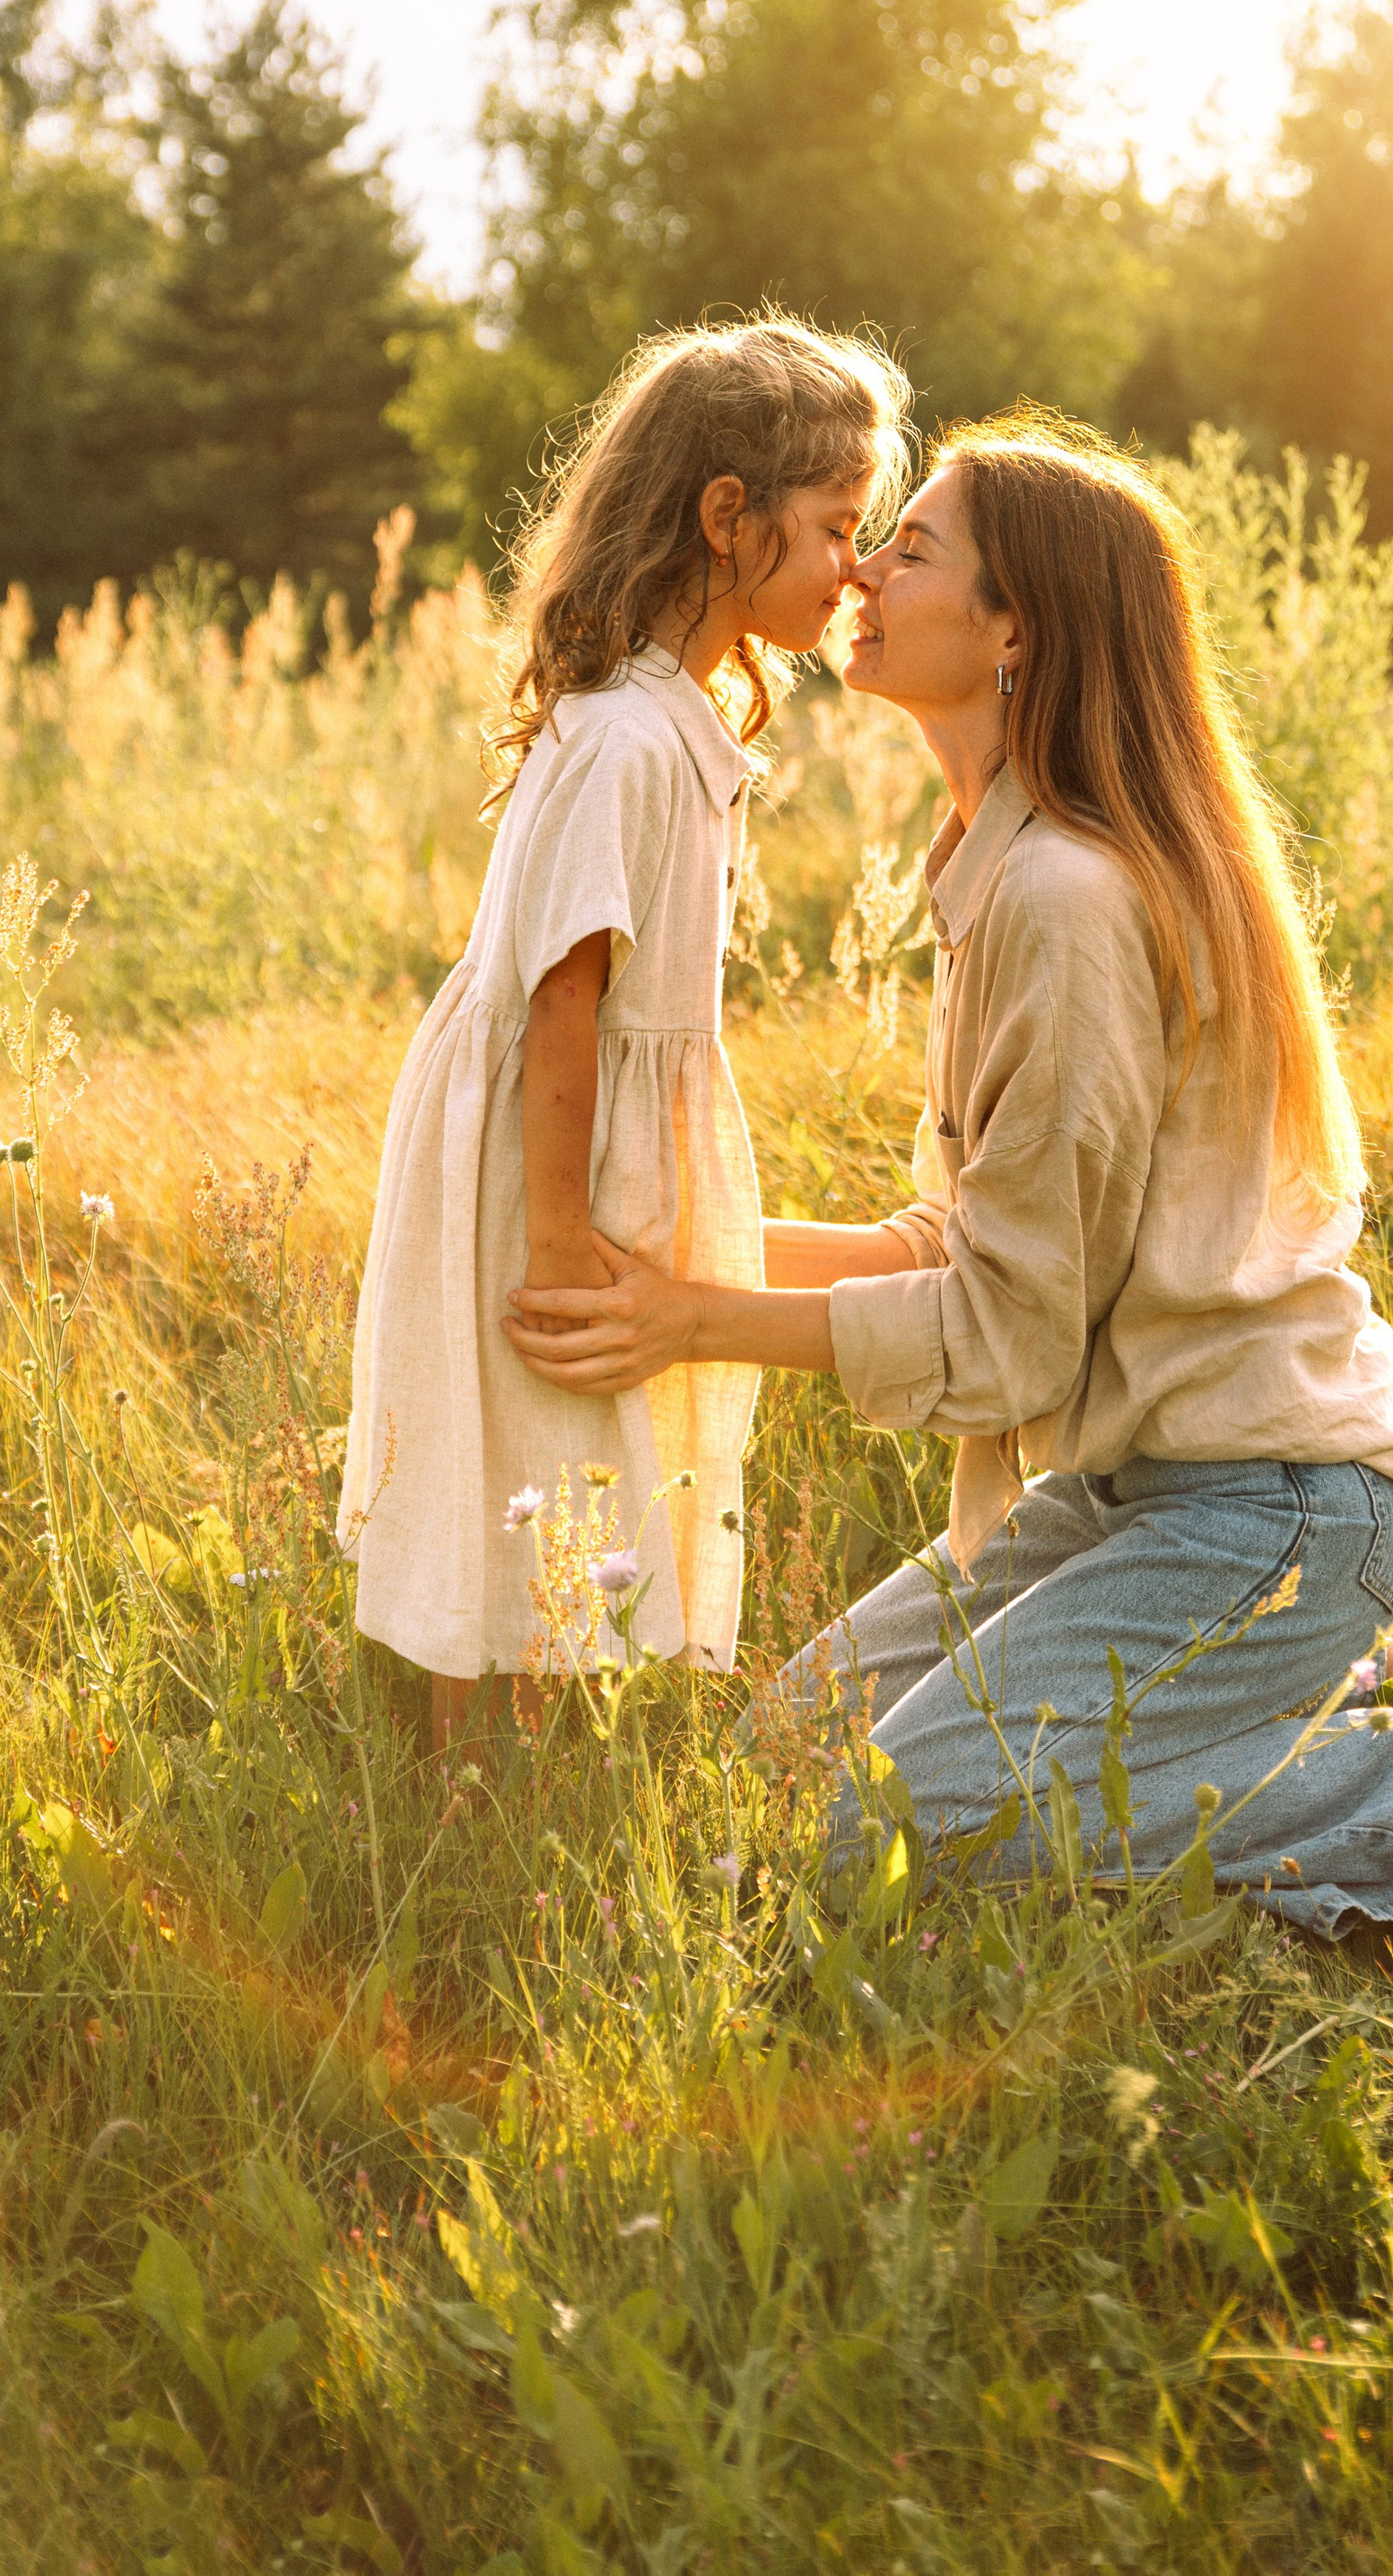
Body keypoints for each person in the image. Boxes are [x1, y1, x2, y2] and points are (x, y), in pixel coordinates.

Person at [506, 414, 1393, 1986]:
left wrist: (692, 1319)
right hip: (1137, 1488)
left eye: (911, 543)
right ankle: (1256, 1696)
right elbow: (973, 1245)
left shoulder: (1061, 898)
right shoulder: (996, 858)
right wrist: (691, 1244)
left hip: (1281, 1499)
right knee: (785, 1759)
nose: (862, 562)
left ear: (1015, 630)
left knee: (873, 1835)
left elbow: (1013, 1336)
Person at [339, 315, 909, 1745]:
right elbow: (563, 995)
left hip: (589, 1128)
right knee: (533, 1433)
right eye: (839, 525)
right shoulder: (629, 732)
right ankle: (478, 1772)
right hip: (548, 1141)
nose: (855, 564)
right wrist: (554, 1234)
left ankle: (530, 1762)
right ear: (730, 517)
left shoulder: (675, 722)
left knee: (579, 1451)